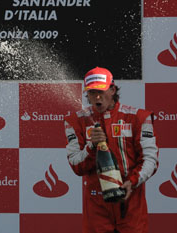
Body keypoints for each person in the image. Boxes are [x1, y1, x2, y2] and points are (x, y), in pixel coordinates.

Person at [64, 67, 159, 233]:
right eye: (92, 93)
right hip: (96, 208)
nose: (97, 97)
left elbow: (150, 159)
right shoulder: (75, 121)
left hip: (131, 204)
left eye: (101, 91)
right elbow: (76, 165)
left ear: (113, 89)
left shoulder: (139, 117)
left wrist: (133, 181)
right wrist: (92, 146)